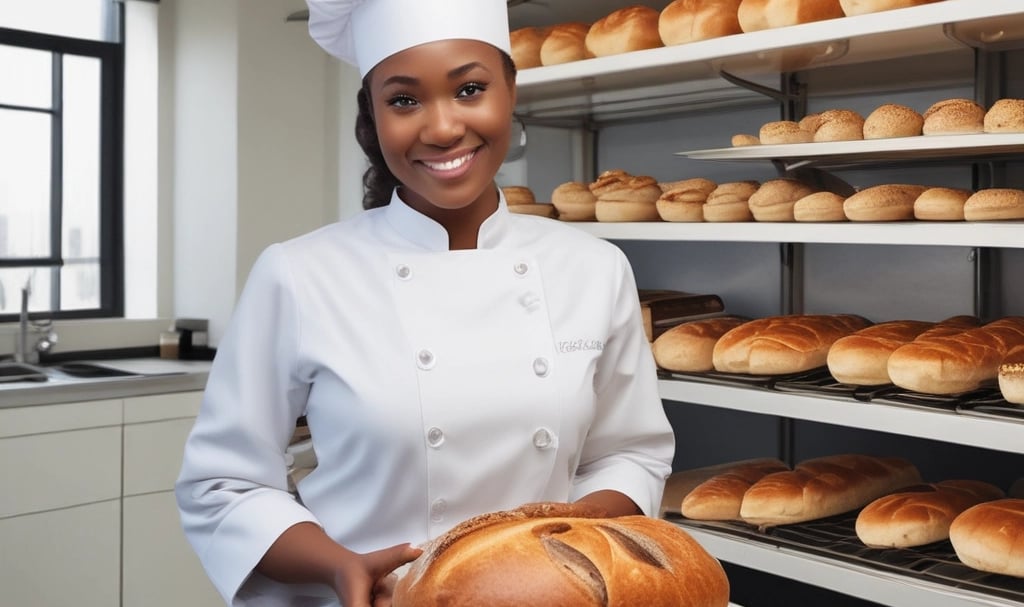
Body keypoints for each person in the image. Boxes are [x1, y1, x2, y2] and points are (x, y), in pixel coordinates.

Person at [174, 0, 675, 605]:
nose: (441, 128)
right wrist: (339, 566)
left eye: (469, 89)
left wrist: (564, 541)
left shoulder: (593, 267)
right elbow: (223, 483)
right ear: (374, 115)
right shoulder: (300, 273)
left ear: (511, 91)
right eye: (405, 100)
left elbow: (629, 453)